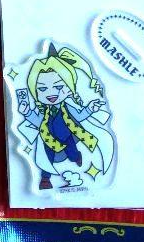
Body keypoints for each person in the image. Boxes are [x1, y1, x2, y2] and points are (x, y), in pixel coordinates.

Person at [15, 45, 114, 190]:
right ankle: (45, 179)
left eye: (59, 87)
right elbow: (38, 122)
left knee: (72, 152)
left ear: (69, 88)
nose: (51, 93)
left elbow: (79, 116)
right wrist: (27, 112)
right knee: (46, 158)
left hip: (68, 136)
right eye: (42, 89)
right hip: (48, 139)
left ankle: (76, 157)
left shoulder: (67, 107)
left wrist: (89, 109)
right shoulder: (44, 111)